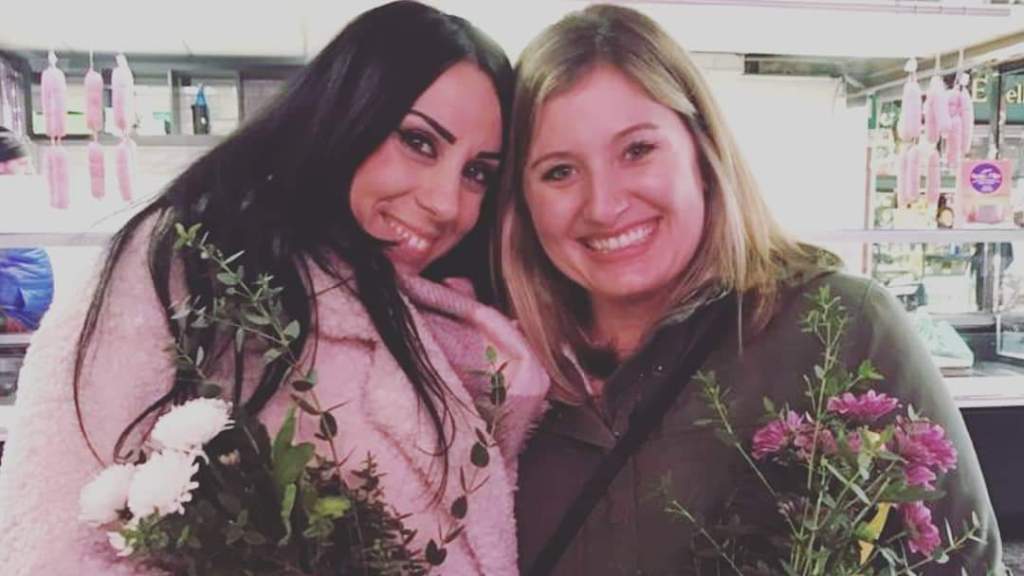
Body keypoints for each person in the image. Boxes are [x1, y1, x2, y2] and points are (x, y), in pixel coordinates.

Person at [0, 2, 547, 575]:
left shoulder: (463, 326)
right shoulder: (190, 264)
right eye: (419, 141)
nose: (445, 202)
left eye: (477, 172)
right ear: (347, 111)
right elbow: (52, 535)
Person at [498, 5, 1004, 575]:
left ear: (703, 153)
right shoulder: (495, 369)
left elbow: (960, 562)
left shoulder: (841, 326)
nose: (604, 204)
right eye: (559, 171)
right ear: (521, 197)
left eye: (637, 150)